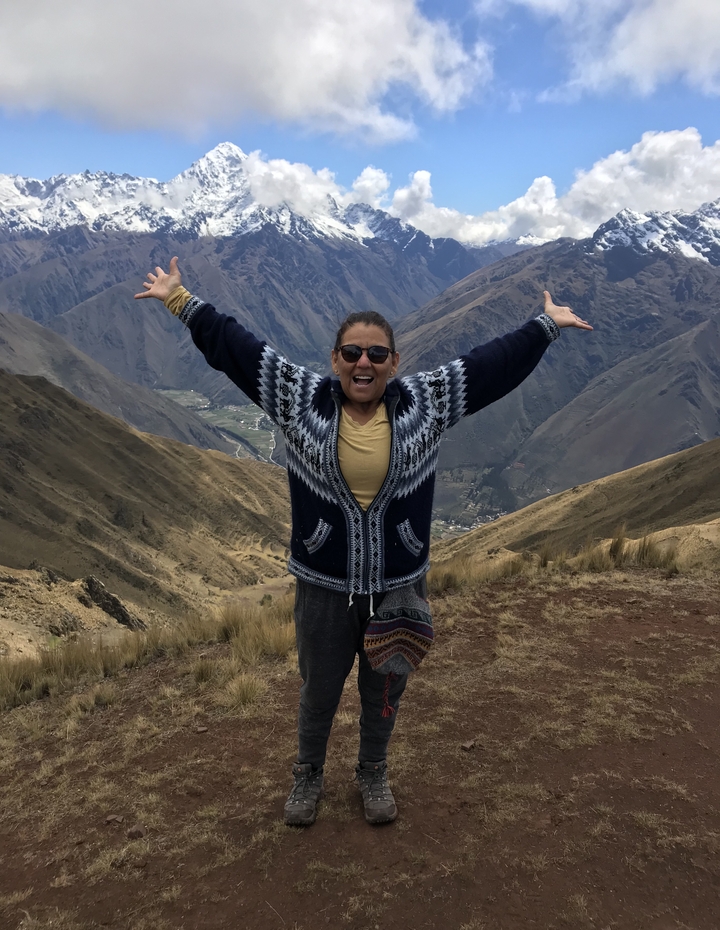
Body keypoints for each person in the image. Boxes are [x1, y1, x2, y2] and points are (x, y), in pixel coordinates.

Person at [135, 257, 592, 827]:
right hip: (325, 587)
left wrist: (544, 326)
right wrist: (180, 300)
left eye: (377, 354)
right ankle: (308, 774)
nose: (363, 363)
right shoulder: (299, 399)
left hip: (399, 586)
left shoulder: (427, 402)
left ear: (394, 363)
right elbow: (239, 350)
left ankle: (373, 769)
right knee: (319, 691)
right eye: (352, 352)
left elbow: (489, 367)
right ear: (335, 360)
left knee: (386, 688)